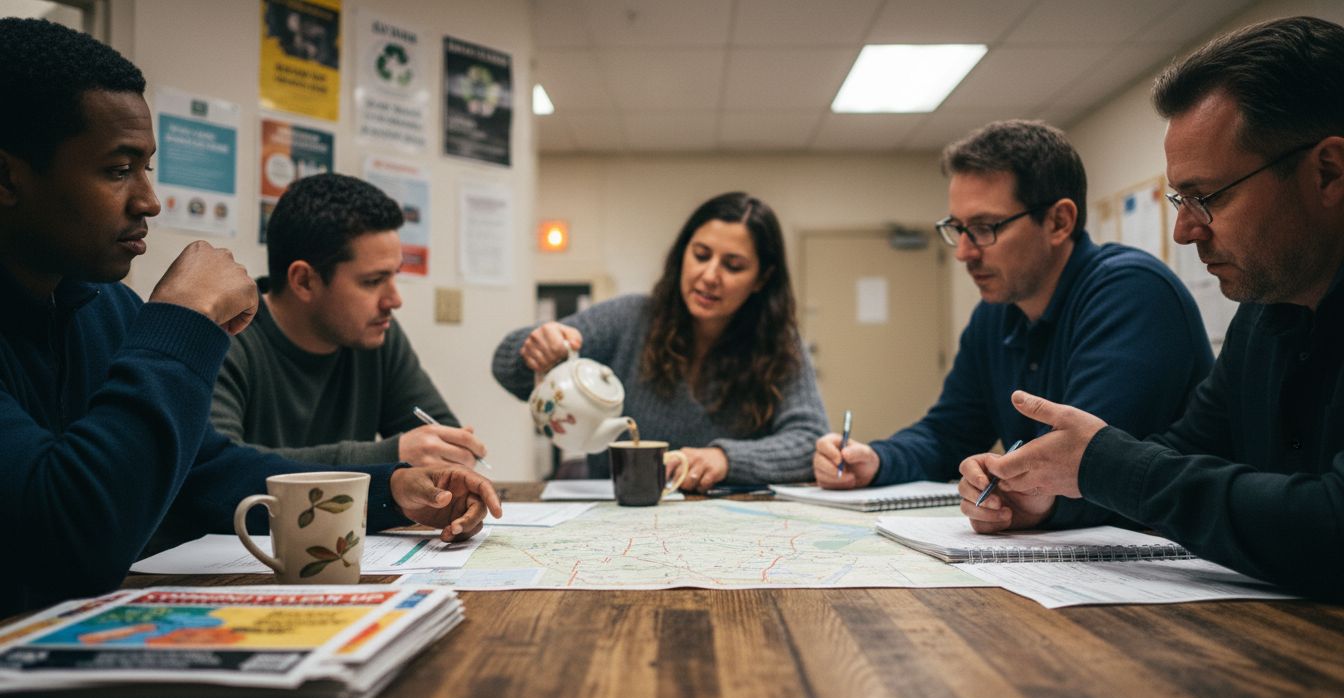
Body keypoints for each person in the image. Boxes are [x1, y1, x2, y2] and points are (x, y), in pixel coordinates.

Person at [0, 18, 499, 617]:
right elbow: (70, 540)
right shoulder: (155, 320)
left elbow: (205, 470)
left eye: (147, 168)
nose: (149, 201)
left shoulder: (101, 308)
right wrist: (181, 321)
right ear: (8, 177)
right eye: (117, 169)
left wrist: (391, 490)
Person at [957, 16, 1344, 600]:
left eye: (1207, 197)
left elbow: (1330, 526)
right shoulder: (1267, 314)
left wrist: (1102, 466)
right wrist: (1049, 494)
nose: (1185, 231)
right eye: (1178, 199)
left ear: (1329, 172)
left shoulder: (1132, 288)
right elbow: (1182, 453)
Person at [813, 119, 1214, 532]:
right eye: (957, 229)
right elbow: (949, 432)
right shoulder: (997, 312)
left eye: (984, 228)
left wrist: (1024, 495)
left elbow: (1082, 465)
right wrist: (876, 461)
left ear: (1058, 222)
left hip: (1160, 567)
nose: (963, 253)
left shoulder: (1132, 293)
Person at [492, 192, 826, 491]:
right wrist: (535, 347)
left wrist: (725, 459)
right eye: (701, 254)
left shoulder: (779, 343)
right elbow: (510, 372)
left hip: (728, 526)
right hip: (617, 520)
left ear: (761, 279)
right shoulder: (629, 318)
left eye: (733, 266)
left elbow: (810, 441)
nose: (710, 276)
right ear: (682, 254)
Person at [211, 172, 486, 469]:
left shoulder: (377, 334)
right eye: (373, 281)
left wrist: (447, 453)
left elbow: (442, 439)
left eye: (394, 275)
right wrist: (388, 456)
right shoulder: (222, 337)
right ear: (304, 281)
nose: (394, 300)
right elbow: (218, 467)